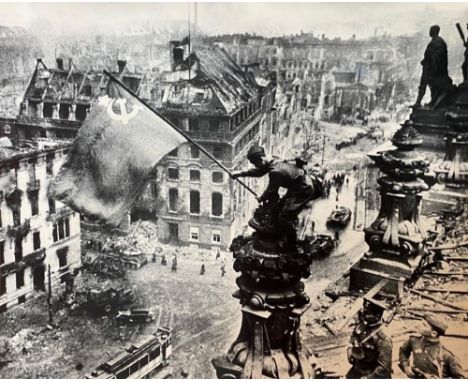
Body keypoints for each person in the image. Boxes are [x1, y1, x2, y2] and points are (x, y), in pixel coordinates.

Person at [232, 145, 323, 246]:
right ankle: (278, 232)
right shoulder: (273, 160)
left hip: (303, 190)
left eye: (255, 164)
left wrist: (261, 198)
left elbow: (271, 190)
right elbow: (259, 172)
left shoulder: (275, 172)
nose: (256, 166)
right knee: (278, 208)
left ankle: (290, 244)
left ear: (261, 159)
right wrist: (239, 173)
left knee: (284, 216)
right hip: (296, 187)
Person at [399, 315, 465, 378]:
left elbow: (461, 378)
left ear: (434, 333)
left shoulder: (446, 355)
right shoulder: (414, 339)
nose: (418, 325)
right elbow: (403, 350)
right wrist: (405, 366)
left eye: (424, 325)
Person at [346, 297, 393, 379]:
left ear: (377, 316)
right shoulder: (361, 327)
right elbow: (353, 338)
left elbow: (384, 368)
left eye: (368, 314)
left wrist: (367, 378)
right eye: (365, 312)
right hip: (358, 369)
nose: (364, 315)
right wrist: (350, 350)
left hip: (374, 374)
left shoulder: (383, 338)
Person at [414, 25, 452, 108]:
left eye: (431, 30)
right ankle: (420, 102)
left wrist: (431, 62)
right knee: (427, 85)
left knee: (430, 85)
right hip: (429, 67)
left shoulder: (438, 42)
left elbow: (439, 55)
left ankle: (428, 102)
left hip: (433, 68)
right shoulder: (435, 41)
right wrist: (425, 60)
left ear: (435, 31)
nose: (429, 32)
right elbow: (430, 54)